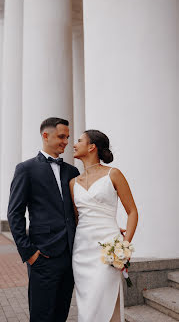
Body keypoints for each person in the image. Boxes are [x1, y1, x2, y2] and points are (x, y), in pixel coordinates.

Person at [7, 117, 79, 322]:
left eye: (67, 137)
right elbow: (14, 213)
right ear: (45, 136)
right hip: (43, 256)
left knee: (61, 313)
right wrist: (29, 253)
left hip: (70, 255)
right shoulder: (25, 169)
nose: (66, 141)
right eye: (61, 136)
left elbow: (78, 211)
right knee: (41, 316)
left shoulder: (72, 171)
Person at [69, 130, 138, 322]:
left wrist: (124, 245)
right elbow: (77, 219)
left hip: (108, 248)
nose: (74, 144)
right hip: (82, 251)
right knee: (88, 307)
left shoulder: (113, 174)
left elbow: (132, 211)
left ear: (91, 147)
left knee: (107, 300)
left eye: (79, 141)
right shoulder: (73, 183)